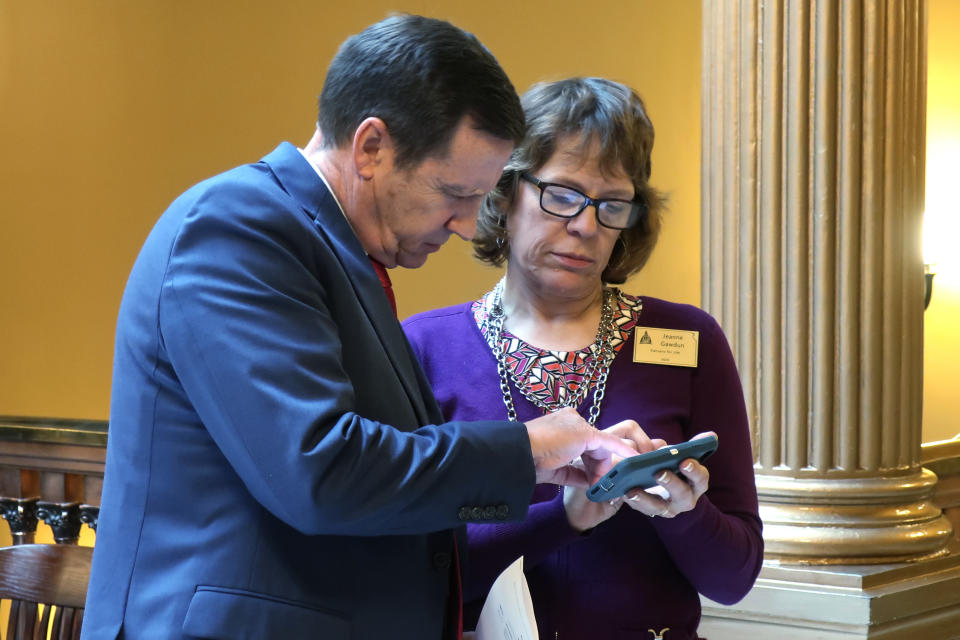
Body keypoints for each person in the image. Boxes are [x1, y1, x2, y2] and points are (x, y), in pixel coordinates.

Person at [82, 20, 647, 640]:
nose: (464, 225)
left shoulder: (342, 252)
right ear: (371, 146)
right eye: (454, 193)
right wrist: (531, 448)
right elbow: (320, 472)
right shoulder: (234, 226)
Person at [403, 77, 764, 639]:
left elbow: (734, 578)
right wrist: (566, 517)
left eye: (612, 205)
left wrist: (684, 511)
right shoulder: (426, 348)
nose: (586, 227)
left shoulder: (689, 338)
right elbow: (412, 572)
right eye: (563, 196)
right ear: (504, 193)